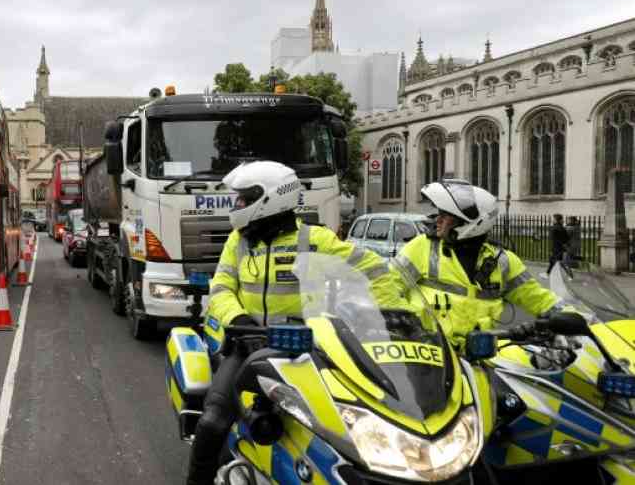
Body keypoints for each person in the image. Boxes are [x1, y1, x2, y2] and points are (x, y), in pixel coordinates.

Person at [186, 161, 403, 485]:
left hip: (309, 350)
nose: (238, 206)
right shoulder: (239, 241)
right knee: (212, 422)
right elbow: (220, 289)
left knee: (344, 427)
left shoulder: (316, 239)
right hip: (248, 346)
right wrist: (240, 320)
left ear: (270, 198)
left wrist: (389, 317)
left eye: (243, 199)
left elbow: (375, 272)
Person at [391, 179, 568, 349]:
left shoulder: (502, 261)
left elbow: (538, 297)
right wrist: (410, 327)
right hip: (429, 354)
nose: (437, 220)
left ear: (471, 223)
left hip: (480, 356)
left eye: (445, 216)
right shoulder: (422, 247)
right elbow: (386, 288)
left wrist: (576, 319)